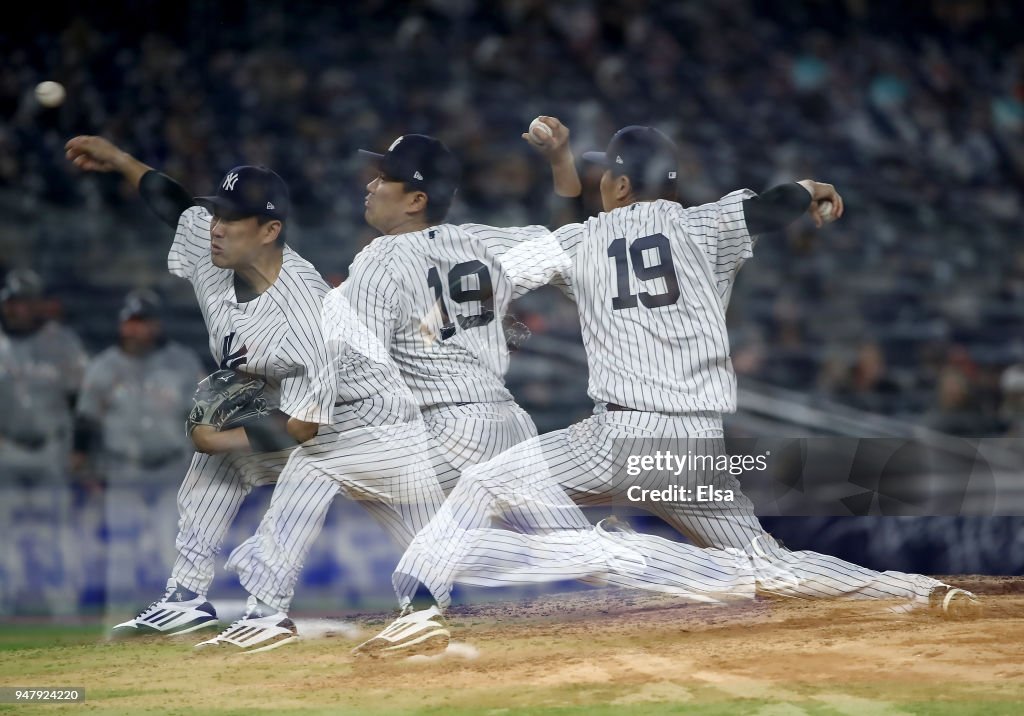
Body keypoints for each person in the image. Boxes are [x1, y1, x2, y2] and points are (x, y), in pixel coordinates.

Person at [358, 121, 979, 653]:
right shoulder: (710, 225)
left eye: (605, 176)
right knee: (772, 564)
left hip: (618, 436)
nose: (599, 184)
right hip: (696, 444)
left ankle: (417, 612)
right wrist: (816, 190)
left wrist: (437, 318)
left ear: (622, 185)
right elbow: (774, 202)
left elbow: (484, 278)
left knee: (482, 483)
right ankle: (924, 591)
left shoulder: (581, 240)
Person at [218, 134, 756, 656]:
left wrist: (293, 416)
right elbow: (562, 242)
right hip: (507, 425)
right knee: (577, 553)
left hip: (445, 428)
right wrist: (559, 168)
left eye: (384, 177)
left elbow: (335, 364)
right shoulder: (482, 239)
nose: (371, 184)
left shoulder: (378, 261)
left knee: (318, 461)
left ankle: (266, 613)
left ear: (415, 200)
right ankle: (709, 573)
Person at [65, 136, 436, 646]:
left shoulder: (306, 313)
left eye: (230, 219)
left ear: (269, 230)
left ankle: (268, 613)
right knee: (222, 464)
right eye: (217, 213)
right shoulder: (217, 244)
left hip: (376, 423)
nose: (215, 228)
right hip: (316, 416)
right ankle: (187, 597)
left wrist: (219, 439)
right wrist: (121, 161)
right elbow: (176, 207)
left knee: (418, 542)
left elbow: (307, 426)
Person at [72, 288, 205, 624]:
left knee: (172, 548)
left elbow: (205, 414)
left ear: (156, 325)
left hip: (173, 467)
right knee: (121, 551)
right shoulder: (104, 366)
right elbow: (86, 420)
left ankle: (178, 617)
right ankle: (117, 623)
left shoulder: (183, 361)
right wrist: (85, 463)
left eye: (142, 322)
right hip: (123, 468)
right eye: (130, 322)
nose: (135, 329)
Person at [0, 268, 88, 615]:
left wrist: (80, 448)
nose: (19, 308)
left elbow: (83, 401)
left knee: (58, 527)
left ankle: (64, 606)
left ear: (40, 305)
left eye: (26, 302)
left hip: (53, 448)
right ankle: (4, 606)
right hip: (6, 448)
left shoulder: (62, 342)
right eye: (13, 302)